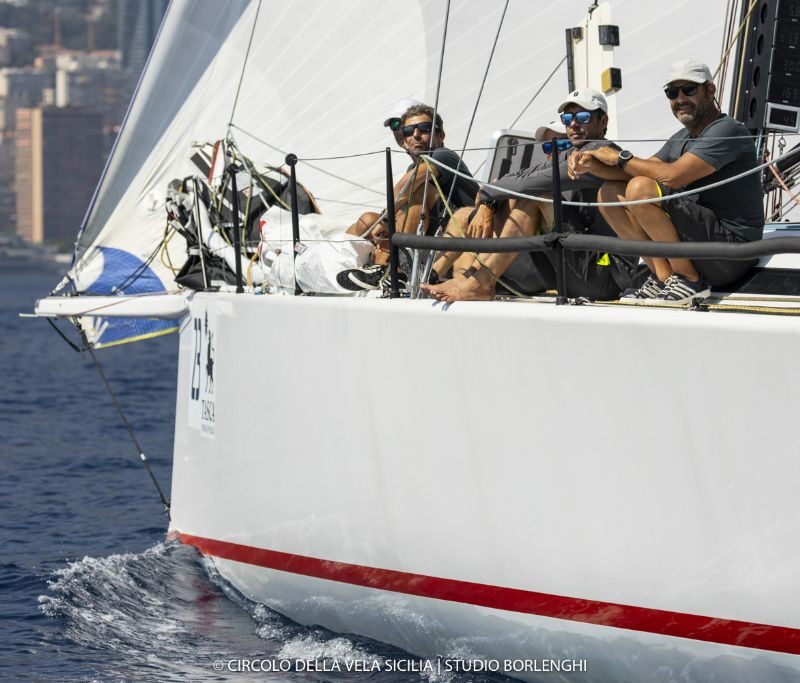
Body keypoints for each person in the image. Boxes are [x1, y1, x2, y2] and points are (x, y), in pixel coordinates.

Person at [569, 60, 764, 303]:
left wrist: (619, 157)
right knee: (608, 193)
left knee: (641, 188)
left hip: (732, 253)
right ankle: (664, 277)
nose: (680, 98)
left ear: (710, 90)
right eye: (672, 93)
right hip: (701, 246)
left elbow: (673, 175)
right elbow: (632, 172)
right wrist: (591, 163)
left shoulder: (727, 130)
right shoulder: (682, 137)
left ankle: (689, 280)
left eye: (688, 90)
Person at [422, 88, 636, 302]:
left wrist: (487, 194)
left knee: (538, 195)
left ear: (603, 121)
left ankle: (481, 282)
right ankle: (468, 279)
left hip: (605, 273)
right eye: (567, 118)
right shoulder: (572, 154)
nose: (573, 124)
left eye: (582, 117)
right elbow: (519, 177)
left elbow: (530, 182)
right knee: (499, 203)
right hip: (577, 263)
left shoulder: (599, 152)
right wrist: (489, 203)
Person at [339, 103, 479, 290]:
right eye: (408, 131)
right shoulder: (413, 168)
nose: (416, 134)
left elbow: (407, 186)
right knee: (368, 220)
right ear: (403, 141)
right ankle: (345, 265)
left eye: (425, 128)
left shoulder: (444, 156)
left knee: (416, 190)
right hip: (433, 245)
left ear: (440, 135)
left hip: (463, 245)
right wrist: (381, 223)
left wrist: (385, 219)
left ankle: (395, 271)